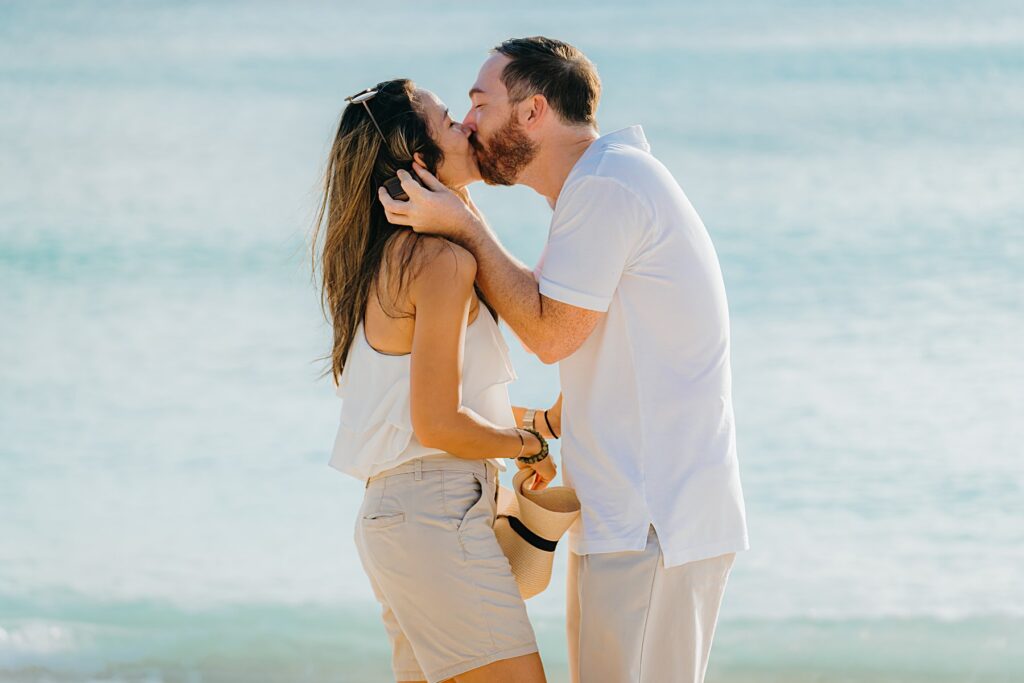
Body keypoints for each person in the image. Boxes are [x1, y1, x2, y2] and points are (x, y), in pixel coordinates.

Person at [378, 38, 749, 683]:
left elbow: (551, 335)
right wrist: (540, 433)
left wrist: (465, 227)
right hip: (631, 516)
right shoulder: (599, 187)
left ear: (533, 111)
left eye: (479, 103)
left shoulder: (608, 186)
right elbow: (623, 360)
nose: (467, 124)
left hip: (655, 516)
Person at [312, 78, 561, 683]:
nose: (468, 127)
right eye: (451, 121)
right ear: (421, 159)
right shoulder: (442, 262)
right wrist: (530, 447)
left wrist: (537, 421)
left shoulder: (388, 260)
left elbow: (418, 410)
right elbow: (439, 423)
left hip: (399, 517)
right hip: (434, 515)